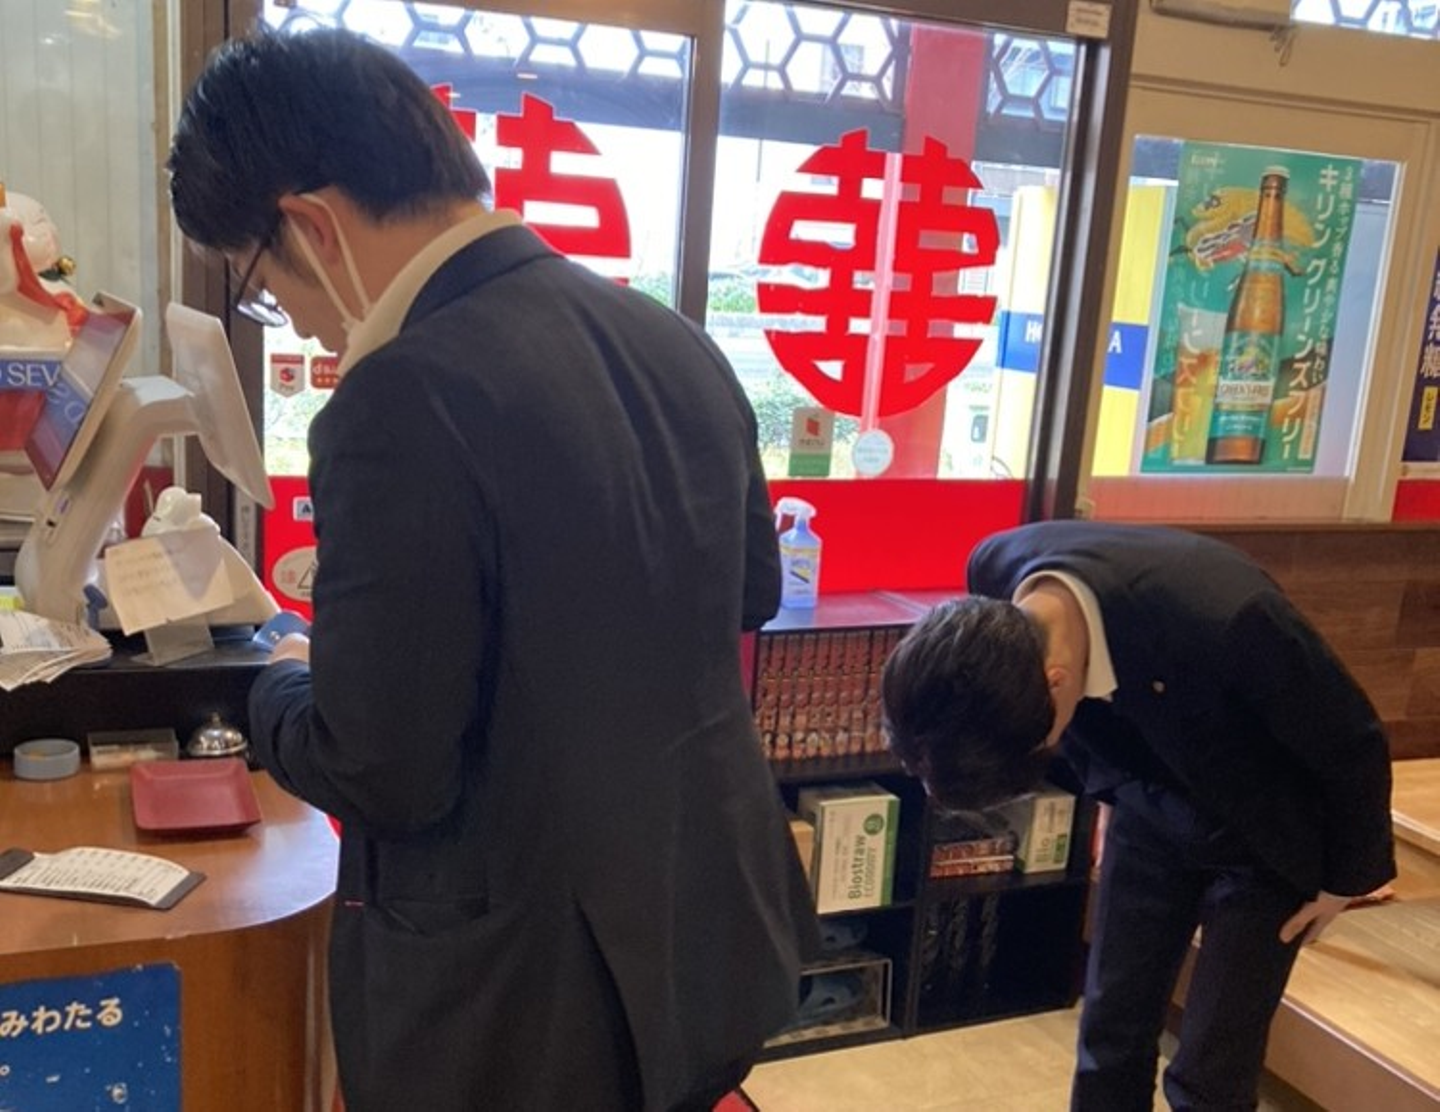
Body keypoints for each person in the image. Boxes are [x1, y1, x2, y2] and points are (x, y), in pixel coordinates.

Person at [167, 27, 817, 1112]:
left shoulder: (397, 398)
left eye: (266, 285)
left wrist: (276, 680)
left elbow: (383, 771)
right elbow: (748, 592)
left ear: (312, 225)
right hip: (705, 928)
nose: (301, 324)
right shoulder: (672, 340)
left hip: (522, 1005)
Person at [881, 520, 1395, 1112]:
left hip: (1265, 825)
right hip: (1146, 803)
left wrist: (1345, 879)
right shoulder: (995, 571)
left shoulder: (1230, 617)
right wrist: (1111, 793)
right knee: (1110, 1031)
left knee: (1213, 1066)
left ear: (1055, 682)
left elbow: (1351, 738)